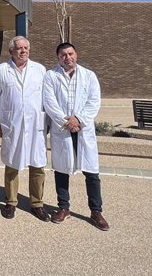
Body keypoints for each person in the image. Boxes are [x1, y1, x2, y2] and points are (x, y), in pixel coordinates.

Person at [42, 42, 109, 231]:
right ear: (58, 57)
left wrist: (78, 120)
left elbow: (94, 102)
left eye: (70, 53)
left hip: (83, 129)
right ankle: (63, 207)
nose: (67, 57)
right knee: (62, 170)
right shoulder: (50, 76)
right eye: (63, 55)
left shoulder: (89, 76)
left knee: (91, 172)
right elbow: (49, 102)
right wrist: (66, 121)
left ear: (76, 54)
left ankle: (96, 211)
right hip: (62, 129)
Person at [0, 36, 49, 221]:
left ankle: (37, 204)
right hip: (12, 125)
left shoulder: (39, 69)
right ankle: (11, 202)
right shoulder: (2, 70)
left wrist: (50, 123)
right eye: (19, 48)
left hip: (36, 125)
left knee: (38, 165)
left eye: (26, 47)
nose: (23, 51)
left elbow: (47, 98)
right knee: (12, 164)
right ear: (11, 51)